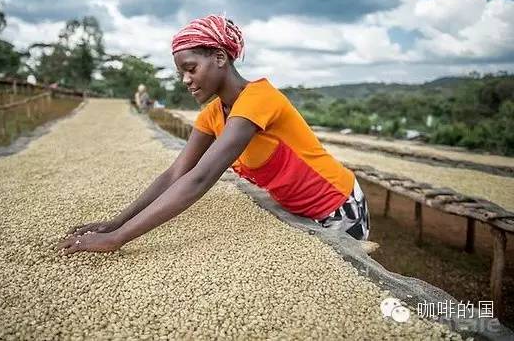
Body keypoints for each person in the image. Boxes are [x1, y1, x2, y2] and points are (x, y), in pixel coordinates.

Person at [58, 15, 370, 255]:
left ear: (220, 58)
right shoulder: (213, 113)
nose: (186, 80)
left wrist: (116, 239)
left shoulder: (258, 99)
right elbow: (176, 174)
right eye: (182, 72)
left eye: (191, 68)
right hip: (297, 209)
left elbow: (199, 179)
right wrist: (116, 222)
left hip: (337, 208)